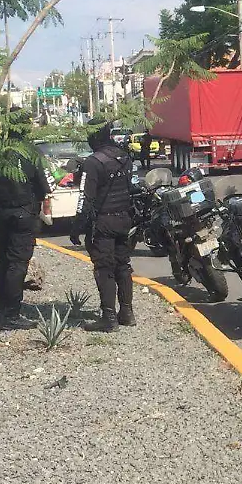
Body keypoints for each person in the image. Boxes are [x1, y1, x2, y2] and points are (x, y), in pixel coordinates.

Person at [0, 109, 52, 328]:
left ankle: (3, 309)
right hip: (22, 214)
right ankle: (10, 315)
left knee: (4, 260)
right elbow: (43, 187)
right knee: (17, 263)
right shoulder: (30, 152)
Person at [71, 117, 136, 332]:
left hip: (103, 222)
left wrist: (77, 228)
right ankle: (127, 313)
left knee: (104, 268)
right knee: (123, 265)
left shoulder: (93, 162)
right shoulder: (124, 157)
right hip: (124, 219)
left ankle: (108, 318)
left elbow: (86, 200)